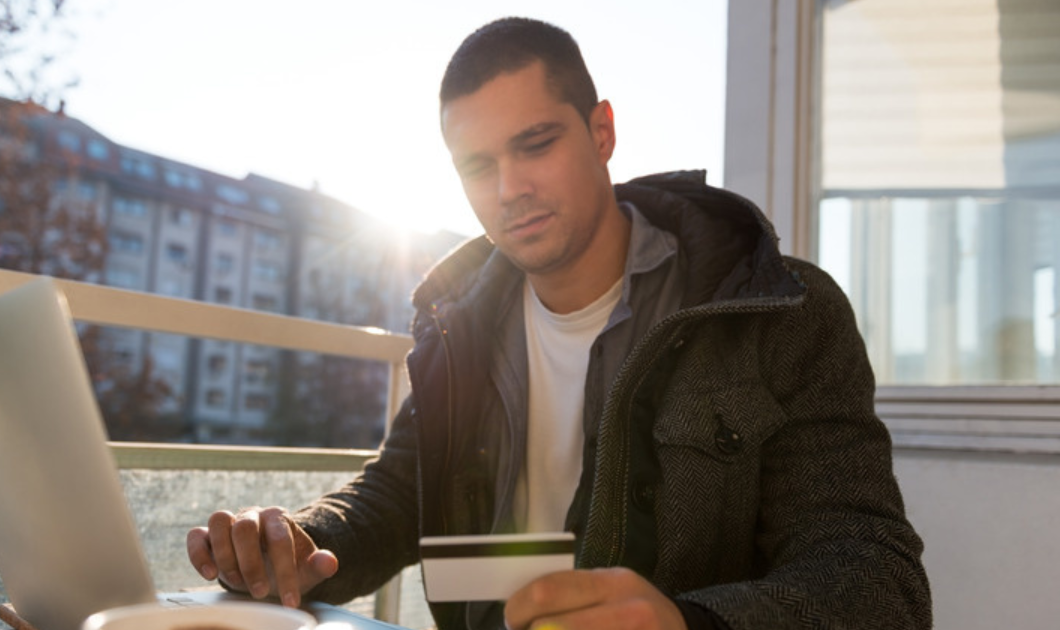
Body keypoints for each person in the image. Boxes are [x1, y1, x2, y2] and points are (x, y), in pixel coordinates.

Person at [187, 17, 932, 630]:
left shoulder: (781, 309)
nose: (510, 189)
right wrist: (295, 540)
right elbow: (393, 497)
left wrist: (689, 623)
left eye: (536, 145)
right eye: (478, 166)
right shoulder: (457, 321)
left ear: (602, 131)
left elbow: (874, 578)